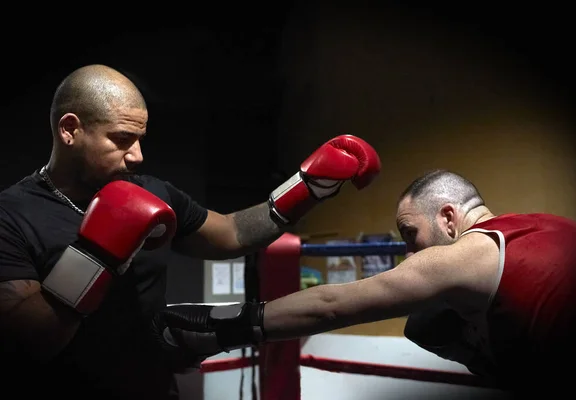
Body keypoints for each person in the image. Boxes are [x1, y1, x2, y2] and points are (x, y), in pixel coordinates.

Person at [0, 64, 382, 400]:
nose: (136, 155)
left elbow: (233, 233)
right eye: (121, 139)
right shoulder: (11, 215)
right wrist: (99, 252)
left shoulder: (150, 191)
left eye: (140, 139)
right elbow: (29, 341)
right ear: (70, 130)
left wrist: (307, 189)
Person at [155, 169, 576, 397]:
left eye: (410, 234)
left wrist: (218, 327)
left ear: (448, 217)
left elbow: (333, 303)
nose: (410, 251)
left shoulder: (467, 255)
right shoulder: (547, 226)